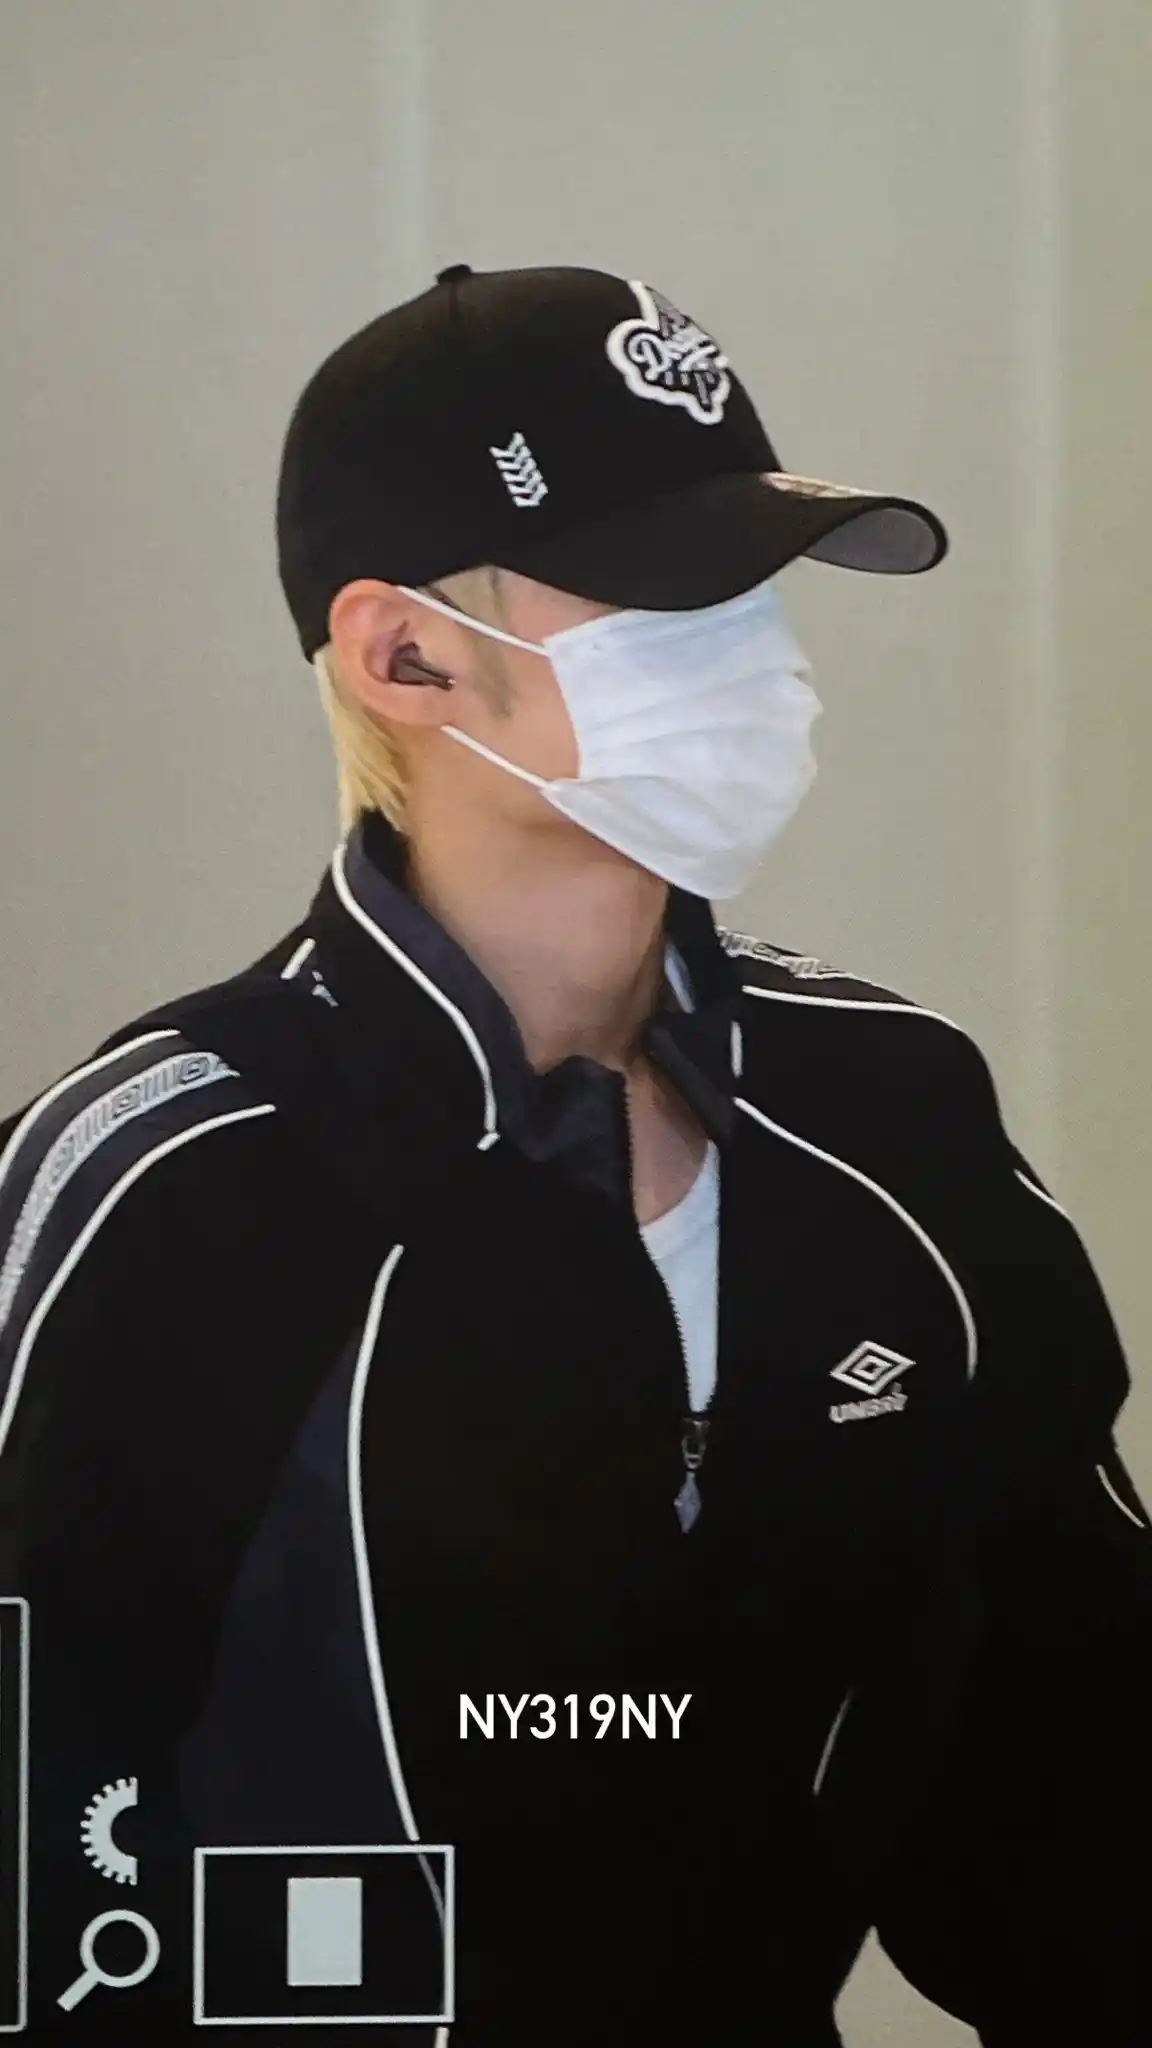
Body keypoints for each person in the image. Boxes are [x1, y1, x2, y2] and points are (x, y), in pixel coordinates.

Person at [0, 261, 1148, 2048]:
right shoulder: (164, 1181)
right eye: (661, 589)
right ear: (402, 655)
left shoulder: (896, 1111)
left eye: (751, 579)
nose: (752, 656)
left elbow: (1070, 1778)